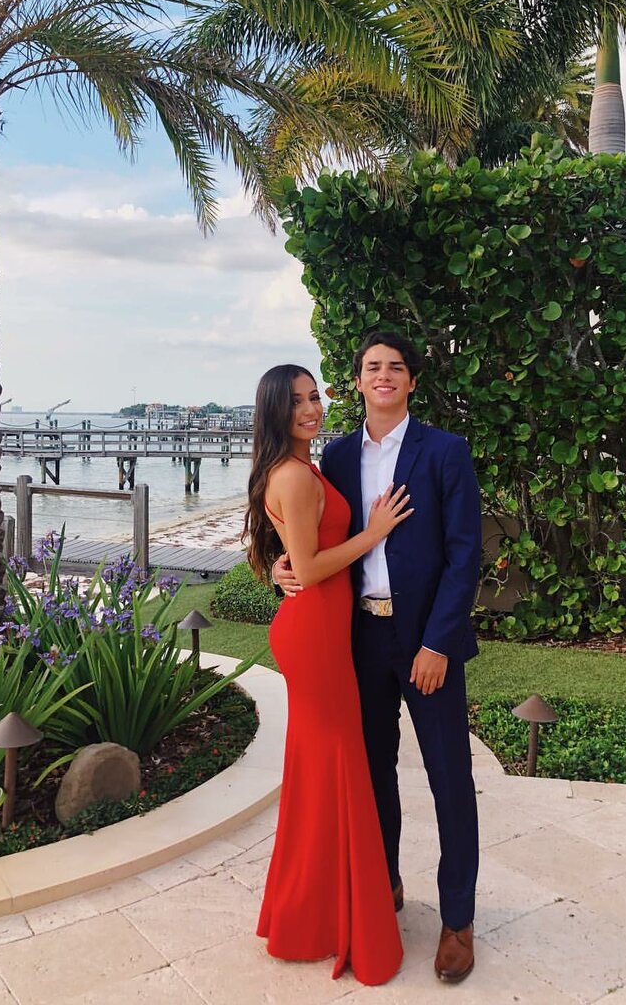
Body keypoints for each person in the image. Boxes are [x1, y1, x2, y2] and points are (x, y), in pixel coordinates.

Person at [276, 331, 482, 983]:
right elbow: (305, 530)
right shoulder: (335, 456)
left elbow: (465, 556)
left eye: (395, 367)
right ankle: (382, 886)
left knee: (450, 779)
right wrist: (279, 567)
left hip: (426, 645)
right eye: (373, 367)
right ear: (358, 381)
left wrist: (437, 642)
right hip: (358, 641)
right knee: (371, 775)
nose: (384, 375)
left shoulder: (445, 452)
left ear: (411, 381)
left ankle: (457, 919)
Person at [244, 363, 411, 986]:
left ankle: (318, 908)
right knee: (337, 765)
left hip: (322, 630)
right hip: (312, 634)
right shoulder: (292, 474)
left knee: (323, 772)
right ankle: (326, 915)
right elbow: (311, 569)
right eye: (296, 402)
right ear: (274, 411)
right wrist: (375, 533)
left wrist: (281, 564)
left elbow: (292, 555)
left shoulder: (304, 467)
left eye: (314, 396)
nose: (311, 409)